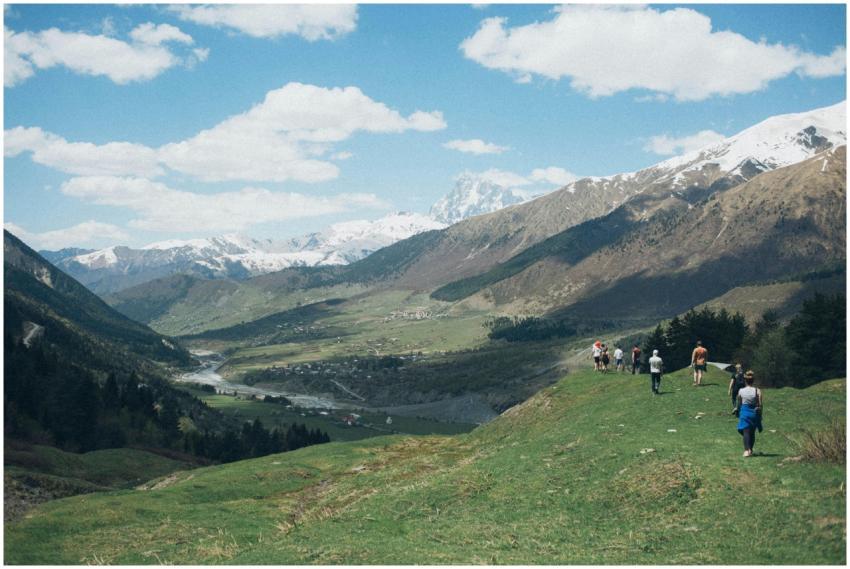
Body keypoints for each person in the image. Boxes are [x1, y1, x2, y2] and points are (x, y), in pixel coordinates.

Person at [734, 371, 763, 457]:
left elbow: (739, 403)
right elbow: (760, 405)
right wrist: (760, 415)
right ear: (753, 381)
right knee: (752, 432)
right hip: (754, 413)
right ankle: (751, 449)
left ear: (745, 380)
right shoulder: (758, 390)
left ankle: (747, 450)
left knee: (745, 431)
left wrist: (738, 412)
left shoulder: (741, 391)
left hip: (744, 412)